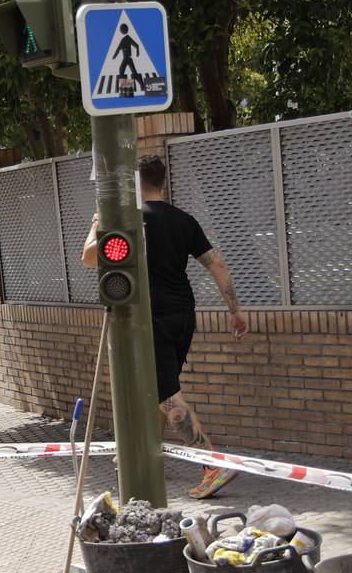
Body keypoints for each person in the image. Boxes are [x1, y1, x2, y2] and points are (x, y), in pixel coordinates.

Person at [81, 154, 250, 499]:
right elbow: (215, 264)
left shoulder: (126, 221)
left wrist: (97, 224)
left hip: (149, 319)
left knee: (164, 394)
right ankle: (148, 462)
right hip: (183, 314)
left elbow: (88, 257)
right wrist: (236, 310)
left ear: (133, 183)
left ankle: (214, 463)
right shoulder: (183, 220)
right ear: (161, 182)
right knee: (157, 390)